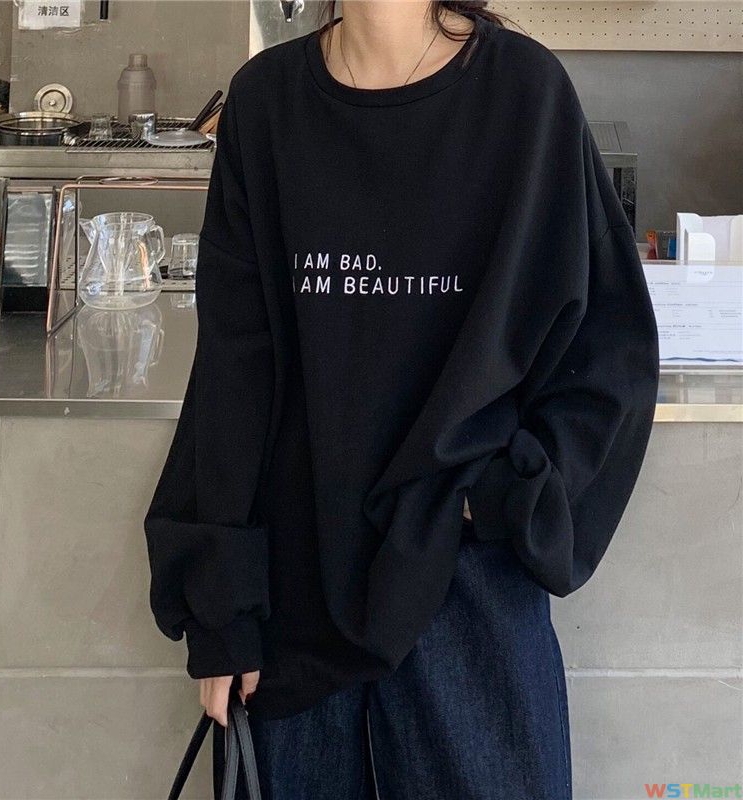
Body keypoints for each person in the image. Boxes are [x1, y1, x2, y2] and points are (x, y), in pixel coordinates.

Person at [144, 2, 660, 798]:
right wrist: (221, 610)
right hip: (296, 606)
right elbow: (234, 373)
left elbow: (607, 351)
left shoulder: (525, 95)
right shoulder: (266, 102)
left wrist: (501, 497)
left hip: (471, 602)